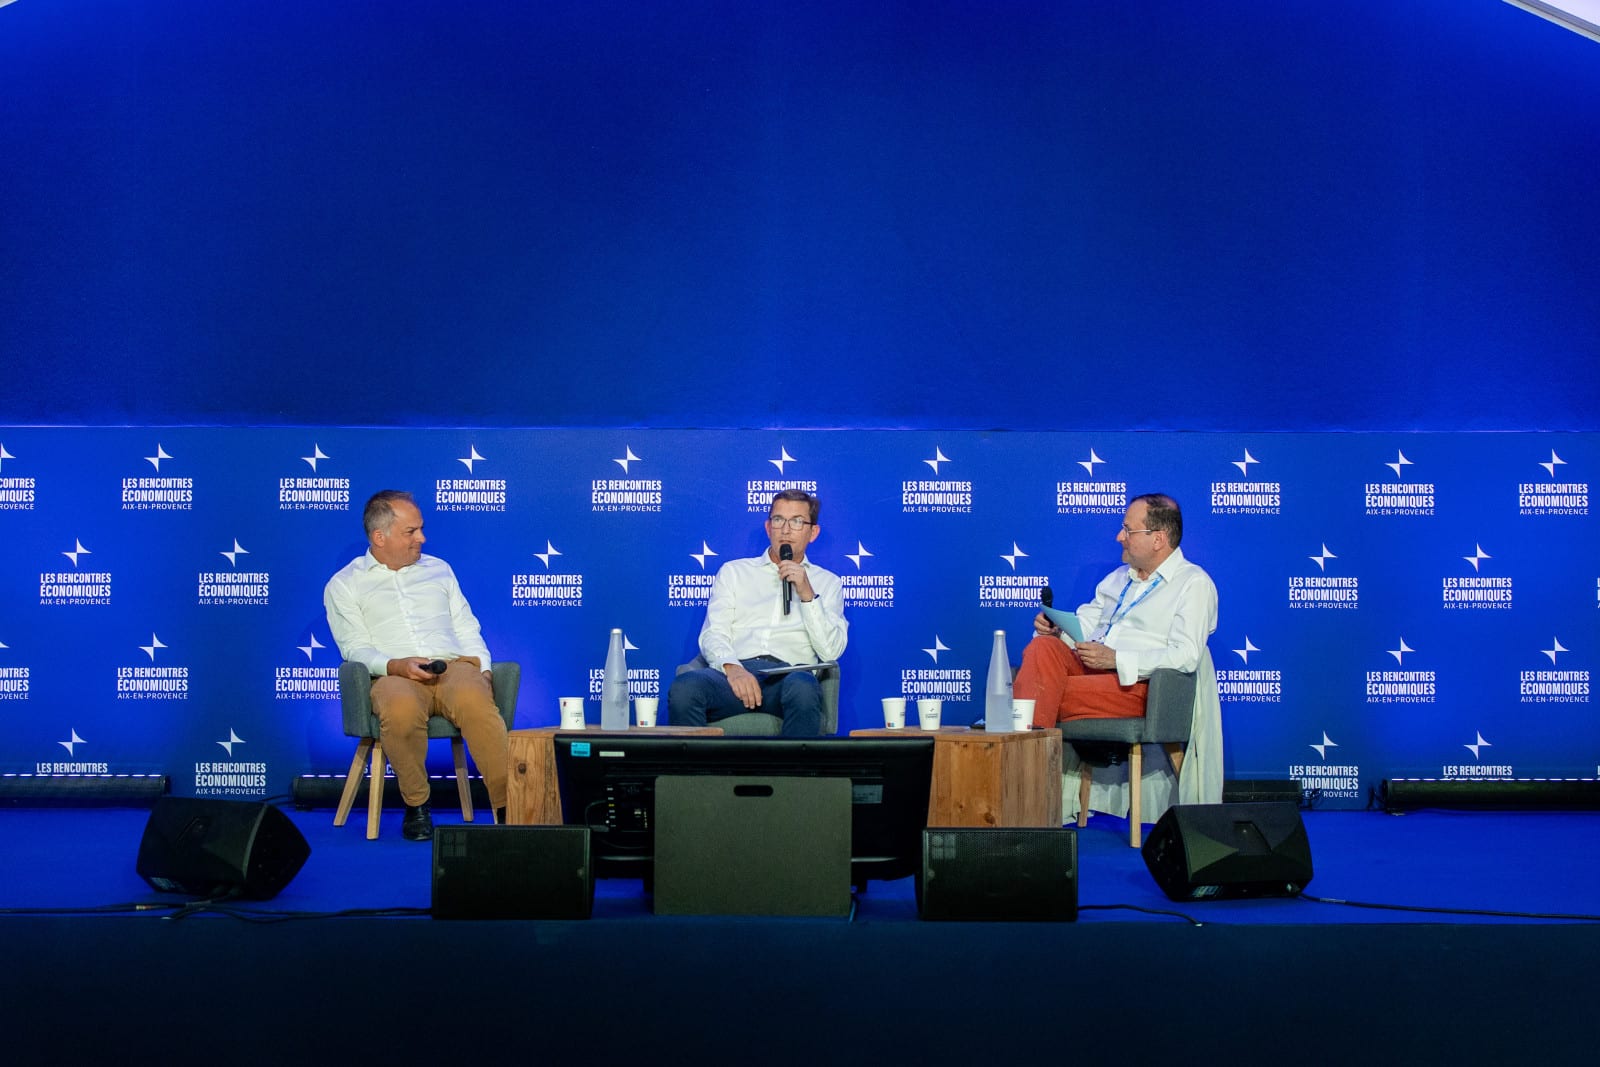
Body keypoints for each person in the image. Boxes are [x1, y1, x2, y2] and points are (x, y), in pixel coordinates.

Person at [1014, 492, 1221, 815]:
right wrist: (1057, 630)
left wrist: (1116, 659)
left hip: (1137, 687)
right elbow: (1083, 625)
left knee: (1038, 694)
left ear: (1158, 539)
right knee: (1043, 647)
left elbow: (1186, 655)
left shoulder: (1193, 584)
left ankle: (1021, 783)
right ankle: (1027, 772)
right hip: (1090, 673)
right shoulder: (1116, 579)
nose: (1119, 537)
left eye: (1128, 529)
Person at [324, 490, 509, 840]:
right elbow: (354, 647)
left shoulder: (439, 570)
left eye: (421, 529)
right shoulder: (345, 585)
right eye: (411, 531)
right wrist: (396, 665)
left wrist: (483, 668)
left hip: (452, 668)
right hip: (393, 675)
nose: (422, 538)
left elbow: (466, 626)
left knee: (476, 700)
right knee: (400, 708)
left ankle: (507, 805)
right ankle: (417, 804)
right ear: (380, 537)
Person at [668, 489, 848, 735]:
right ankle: (699, 763)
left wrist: (807, 594)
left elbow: (830, 652)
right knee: (685, 688)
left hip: (790, 678)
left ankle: (795, 763)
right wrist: (733, 669)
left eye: (797, 521)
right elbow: (714, 633)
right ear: (768, 527)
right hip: (734, 677)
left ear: (813, 532)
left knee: (803, 688)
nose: (786, 530)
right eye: (778, 520)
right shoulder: (734, 572)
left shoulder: (828, 583)